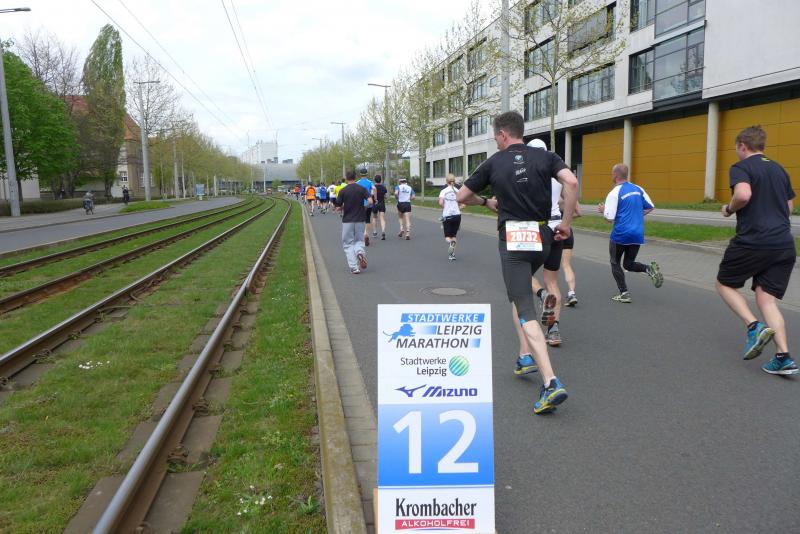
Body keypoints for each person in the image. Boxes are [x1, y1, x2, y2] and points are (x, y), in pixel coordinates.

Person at [456, 111, 578, 415]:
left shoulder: (493, 162)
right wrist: (565, 223)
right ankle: (524, 355)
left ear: (502, 134)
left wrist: (487, 202)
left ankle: (550, 381)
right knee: (519, 290)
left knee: (523, 306)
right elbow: (571, 181)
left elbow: (462, 196)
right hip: (543, 235)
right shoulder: (546, 156)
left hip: (513, 238)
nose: (495, 141)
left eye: (495, 137)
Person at [716, 126, 797, 375]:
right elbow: (790, 207)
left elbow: (743, 194)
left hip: (753, 241)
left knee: (724, 284)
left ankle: (754, 327)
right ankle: (783, 357)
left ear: (742, 145)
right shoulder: (779, 169)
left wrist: (729, 209)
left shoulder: (741, 167)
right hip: (784, 244)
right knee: (766, 299)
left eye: (736, 147)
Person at [598, 164, 663, 302]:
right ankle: (648, 269)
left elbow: (609, 219)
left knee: (615, 262)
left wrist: (603, 210)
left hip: (621, 234)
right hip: (637, 233)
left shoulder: (614, 193)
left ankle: (624, 293)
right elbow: (651, 207)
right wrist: (636, 215)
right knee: (628, 264)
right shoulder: (638, 189)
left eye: (612, 174)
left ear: (615, 175)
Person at [334, 170, 373, 274]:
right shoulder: (362, 189)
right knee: (359, 240)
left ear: (346, 178)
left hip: (348, 220)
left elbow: (338, 206)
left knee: (348, 243)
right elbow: (370, 201)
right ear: (355, 177)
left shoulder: (343, 190)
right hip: (360, 219)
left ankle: (354, 267)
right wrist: (365, 207)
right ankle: (359, 252)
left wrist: (341, 208)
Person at [438, 174, 464, 260]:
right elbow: (463, 204)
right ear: (454, 181)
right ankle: (452, 255)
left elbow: (440, 203)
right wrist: (458, 207)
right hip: (457, 215)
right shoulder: (458, 191)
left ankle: (451, 243)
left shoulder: (443, 191)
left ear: (446, 181)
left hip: (447, 216)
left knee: (448, 237)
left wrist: (445, 207)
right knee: (454, 236)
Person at [356, 169, 376, 245]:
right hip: (368, 203)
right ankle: (366, 233)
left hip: (360, 204)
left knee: (360, 220)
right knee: (367, 219)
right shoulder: (370, 182)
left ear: (360, 174)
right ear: (366, 174)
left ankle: (361, 236)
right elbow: (374, 188)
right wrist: (374, 198)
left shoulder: (357, 183)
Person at [373, 175, 388, 240]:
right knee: (382, 218)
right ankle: (383, 231)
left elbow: (371, 195)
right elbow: (385, 196)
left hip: (375, 204)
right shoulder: (383, 187)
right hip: (382, 204)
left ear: (374, 180)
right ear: (381, 180)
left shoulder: (373, 187)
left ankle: (375, 232)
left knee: (374, 218)